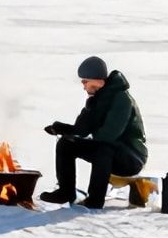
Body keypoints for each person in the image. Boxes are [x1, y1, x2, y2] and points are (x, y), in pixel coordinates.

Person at [39, 56, 148, 209]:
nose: (83, 86)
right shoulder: (96, 99)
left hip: (131, 157)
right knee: (66, 144)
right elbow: (82, 129)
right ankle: (66, 192)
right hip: (110, 149)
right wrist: (63, 129)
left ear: (97, 80)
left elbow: (109, 135)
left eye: (85, 81)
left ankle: (95, 200)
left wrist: (85, 135)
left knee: (103, 149)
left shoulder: (122, 99)